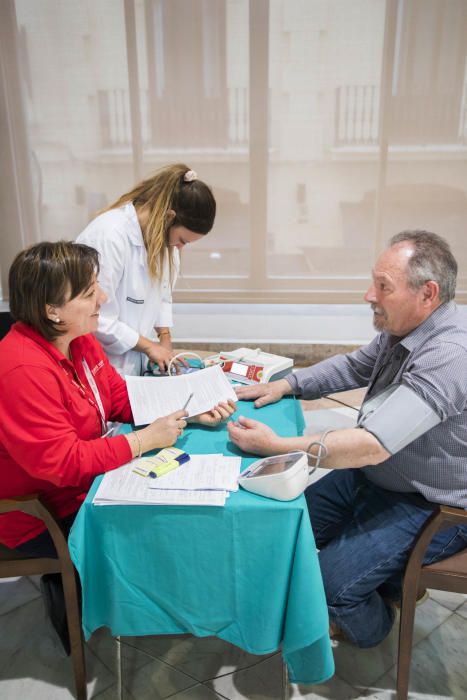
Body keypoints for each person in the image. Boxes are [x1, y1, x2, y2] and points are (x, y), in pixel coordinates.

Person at [228, 230, 467, 648]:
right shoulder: (408, 326)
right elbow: (356, 367)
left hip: (428, 503)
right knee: (283, 527)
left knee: (329, 589)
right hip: (377, 476)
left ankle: (379, 619)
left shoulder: (451, 353)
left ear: (427, 294)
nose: (368, 295)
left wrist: (273, 446)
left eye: (382, 287)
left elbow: (372, 443)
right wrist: (287, 386)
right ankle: (386, 580)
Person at [0, 241, 235, 649]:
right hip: (41, 512)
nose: (103, 298)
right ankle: (114, 601)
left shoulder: (78, 340)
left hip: (81, 487)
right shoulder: (21, 368)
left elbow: (119, 398)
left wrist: (189, 408)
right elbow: (62, 463)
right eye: (90, 293)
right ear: (51, 310)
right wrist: (145, 439)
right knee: (168, 525)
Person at [76, 163, 216, 376]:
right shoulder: (107, 237)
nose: (179, 248)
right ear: (168, 217)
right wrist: (150, 347)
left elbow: (162, 295)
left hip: (135, 363)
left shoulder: (164, 243)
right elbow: (97, 318)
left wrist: (165, 340)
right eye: (182, 240)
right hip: (103, 363)